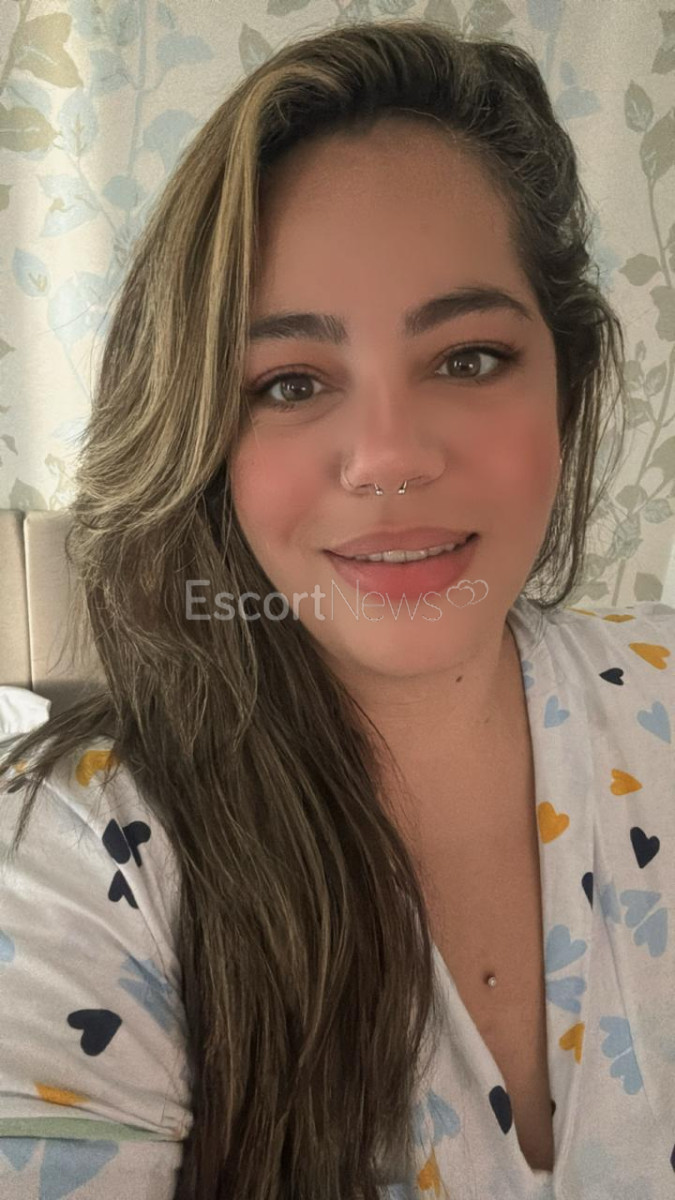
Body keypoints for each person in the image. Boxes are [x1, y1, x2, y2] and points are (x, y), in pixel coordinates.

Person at [0, 17, 673, 1200]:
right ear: (202, 435)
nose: (390, 457)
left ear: (565, 387)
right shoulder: (72, 859)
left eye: (467, 358)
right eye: (291, 382)